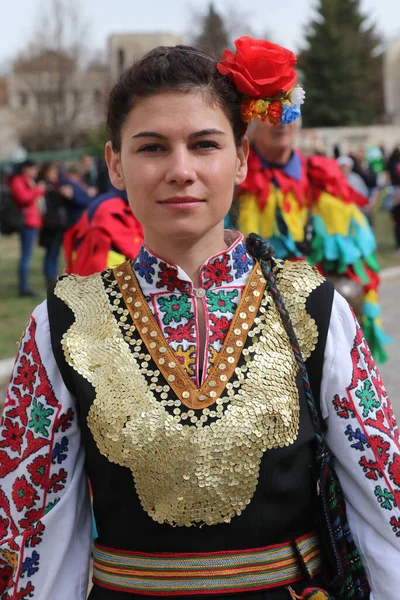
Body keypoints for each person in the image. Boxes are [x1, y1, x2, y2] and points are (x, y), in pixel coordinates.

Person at [0, 37, 399, 600]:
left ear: (240, 159)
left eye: (205, 144)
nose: (181, 170)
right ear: (115, 163)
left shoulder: (314, 307)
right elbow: (31, 535)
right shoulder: (62, 323)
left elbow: (384, 504)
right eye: (153, 147)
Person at [235, 116, 390, 362]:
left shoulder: (322, 176)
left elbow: (355, 262)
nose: (282, 122)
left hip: (320, 319)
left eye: (289, 113)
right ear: (250, 131)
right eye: (271, 115)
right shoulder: (235, 183)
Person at [63, 186, 143, 275]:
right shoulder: (113, 207)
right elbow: (132, 247)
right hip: (103, 270)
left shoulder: (106, 200)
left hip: (86, 265)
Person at [9, 159, 46, 296]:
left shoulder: (30, 181)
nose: (35, 171)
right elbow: (23, 197)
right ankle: (23, 288)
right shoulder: (18, 181)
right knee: (26, 256)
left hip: (33, 221)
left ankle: (25, 286)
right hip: (26, 222)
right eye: (33, 168)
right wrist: (38, 190)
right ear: (26, 168)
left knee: (28, 255)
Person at [37, 162, 70, 287]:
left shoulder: (57, 184)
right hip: (50, 224)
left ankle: (52, 276)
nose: (54, 175)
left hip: (58, 223)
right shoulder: (46, 186)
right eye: (51, 172)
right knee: (50, 252)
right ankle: (50, 277)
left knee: (55, 252)